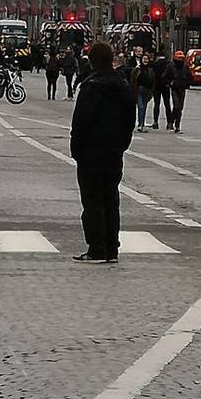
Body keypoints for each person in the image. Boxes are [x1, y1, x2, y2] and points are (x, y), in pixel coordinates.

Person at [69, 41, 136, 263]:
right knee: (111, 200)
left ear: (93, 61)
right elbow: (130, 120)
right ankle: (111, 248)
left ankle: (96, 248)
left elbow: (81, 122)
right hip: (114, 152)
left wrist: (76, 149)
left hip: (91, 152)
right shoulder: (124, 86)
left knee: (92, 202)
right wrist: (122, 145)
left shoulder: (91, 87)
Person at [132, 53, 156, 133]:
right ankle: (140, 124)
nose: (145, 60)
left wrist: (152, 91)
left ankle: (141, 124)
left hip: (147, 90)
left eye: (146, 59)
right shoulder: (138, 69)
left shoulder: (150, 70)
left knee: (144, 107)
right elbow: (133, 78)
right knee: (140, 107)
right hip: (139, 90)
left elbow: (153, 81)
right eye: (144, 59)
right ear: (141, 60)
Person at [169, 50, 191, 133]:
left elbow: (190, 77)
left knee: (180, 108)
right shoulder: (171, 67)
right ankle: (173, 123)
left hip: (182, 89)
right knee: (176, 106)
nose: (180, 60)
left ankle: (176, 124)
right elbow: (165, 75)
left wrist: (187, 83)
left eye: (182, 59)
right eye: (179, 58)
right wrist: (170, 83)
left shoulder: (185, 68)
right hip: (174, 89)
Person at [151, 49, 173, 130]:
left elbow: (152, 75)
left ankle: (155, 122)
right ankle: (169, 123)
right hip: (165, 86)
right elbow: (171, 75)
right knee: (167, 105)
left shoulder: (155, 64)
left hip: (156, 86)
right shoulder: (168, 64)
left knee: (156, 104)